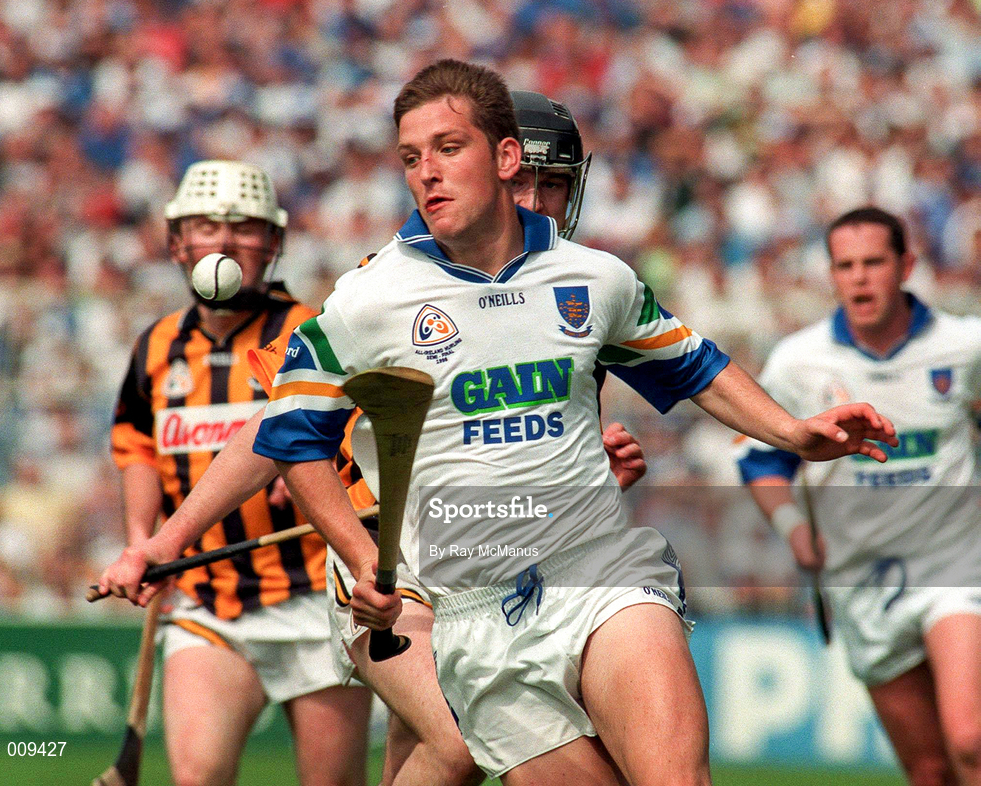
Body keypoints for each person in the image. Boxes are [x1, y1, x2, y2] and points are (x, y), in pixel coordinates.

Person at [104, 61, 895, 786]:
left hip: (595, 571)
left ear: (507, 161)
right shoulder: (370, 300)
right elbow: (281, 434)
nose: (431, 172)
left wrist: (793, 433)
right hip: (445, 602)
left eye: (451, 149)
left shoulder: (595, 279)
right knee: (444, 754)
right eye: (415, 157)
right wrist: (170, 543)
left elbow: (693, 366)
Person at [100, 89, 648, 786]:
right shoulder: (385, 291)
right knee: (468, 747)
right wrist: (163, 541)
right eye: (522, 182)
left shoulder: (583, 291)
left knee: (436, 759)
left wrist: (584, 481)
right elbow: (276, 427)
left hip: (498, 569)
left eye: (553, 184)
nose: (535, 202)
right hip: (391, 580)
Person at [109, 160, 372, 786]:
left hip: (317, 598)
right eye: (206, 225)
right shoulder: (156, 346)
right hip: (208, 602)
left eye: (245, 228)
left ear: (273, 244)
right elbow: (135, 444)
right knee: (198, 778)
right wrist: (142, 539)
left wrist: (311, 468)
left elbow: (358, 436)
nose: (224, 242)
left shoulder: (308, 332)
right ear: (178, 243)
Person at [737, 206, 981, 786]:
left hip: (954, 564)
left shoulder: (965, 345)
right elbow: (759, 458)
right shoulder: (800, 361)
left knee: (970, 739)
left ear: (907, 266)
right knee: (927, 770)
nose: (859, 277)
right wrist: (796, 531)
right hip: (860, 578)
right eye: (845, 265)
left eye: (874, 262)